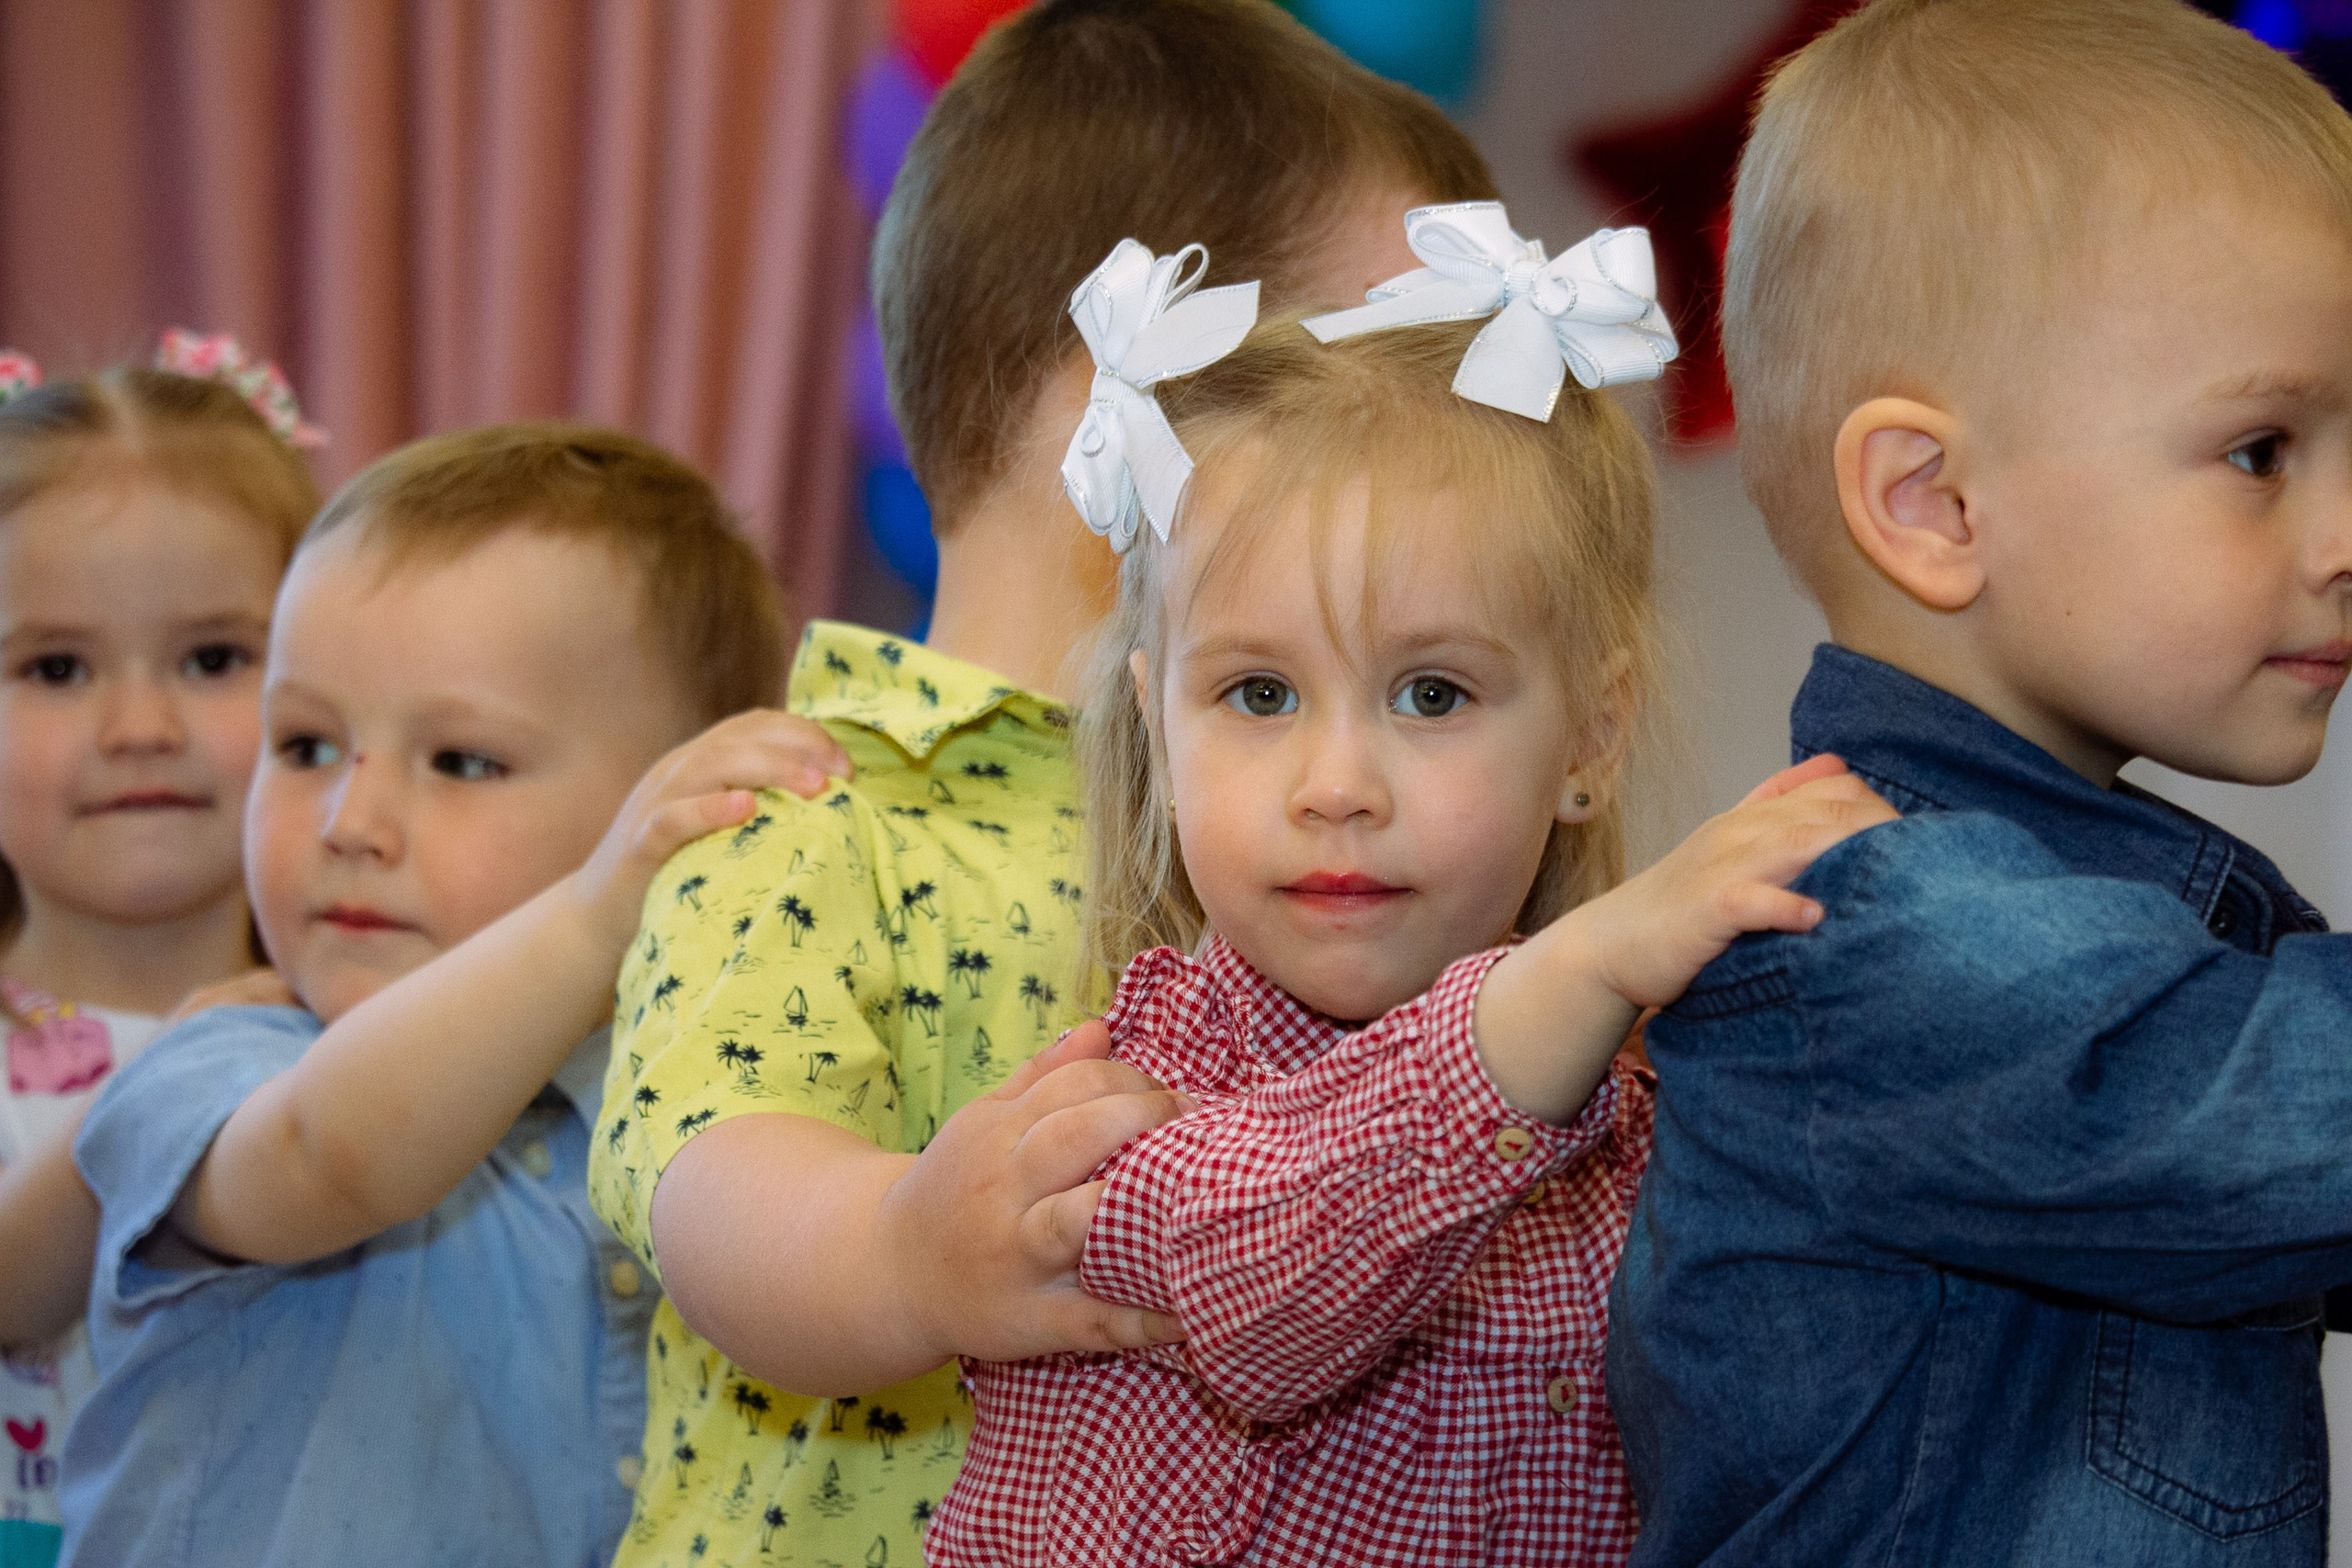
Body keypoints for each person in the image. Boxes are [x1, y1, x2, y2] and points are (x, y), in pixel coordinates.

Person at [590, 3, 1516, 1561]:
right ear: (1127, 395)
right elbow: (709, 1183)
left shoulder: (1348, 825)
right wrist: (901, 1249)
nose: (1443, 466)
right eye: (1377, 391)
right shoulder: (813, 813)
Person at [927, 221, 1895, 1564]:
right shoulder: (1138, 1098)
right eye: (1257, 694)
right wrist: (1566, 976)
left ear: (1590, 739)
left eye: (1431, 693)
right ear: (1156, 724)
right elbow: (1267, 1297)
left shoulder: (1648, 1118)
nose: (1338, 783)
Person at [1603, 3, 2352, 1563]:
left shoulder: (2115, 917)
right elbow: (2273, 1109)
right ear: (1934, 503)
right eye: (2265, 449)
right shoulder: (1886, 932)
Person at [51, 424, 842, 1568]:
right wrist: (586, 914)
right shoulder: (219, 1061)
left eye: (461, 762)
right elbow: (330, 1154)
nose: (349, 823)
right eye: (308, 744)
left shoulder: (697, 1119)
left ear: (674, 810)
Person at [0, 344, 317, 1568]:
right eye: (56, 667)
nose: (141, 726)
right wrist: (173, 1090)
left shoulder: (368, 1017)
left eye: (211, 659)